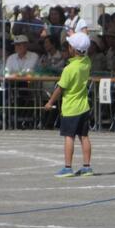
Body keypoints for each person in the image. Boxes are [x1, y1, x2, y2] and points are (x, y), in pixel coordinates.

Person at [44, 32, 93, 178]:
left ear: (73, 49)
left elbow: (59, 88)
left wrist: (50, 102)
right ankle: (87, 167)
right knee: (84, 136)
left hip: (71, 108)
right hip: (84, 106)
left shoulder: (69, 69)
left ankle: (67, 167)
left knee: (69, 137)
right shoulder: (87, 62)